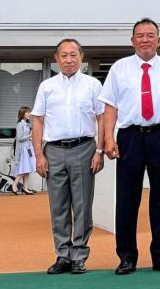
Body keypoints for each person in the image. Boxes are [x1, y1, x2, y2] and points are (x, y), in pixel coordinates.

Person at [101, 18, 160, 275]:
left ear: (159, 40)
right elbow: (110, 106)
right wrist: (108, 137)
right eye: (139, 35)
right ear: (132, 41)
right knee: (127, 199)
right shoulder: (119, 68)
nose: (145, 39)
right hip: (130, 137)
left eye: (150, 35)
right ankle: (127, 256)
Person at [32, 38, 106, 275]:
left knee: (83, 204)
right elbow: (38, 120)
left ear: (81, 57)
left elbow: (102, 118)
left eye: (73, 55)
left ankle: (79, 255)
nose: (69, 60)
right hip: (53, 150)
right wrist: (38, 156)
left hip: (84, 148)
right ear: (56, 58)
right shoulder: (47, 86)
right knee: (58, 205)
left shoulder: (93, 85)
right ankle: (62, 254)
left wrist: (100, 150)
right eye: (64, 55)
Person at [12, 106, 36, 195]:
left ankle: (25, 188)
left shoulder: (26, 124)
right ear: (22, 114)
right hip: (23, 150)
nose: (29, 114)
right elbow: (19, 138)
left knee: (28, 168)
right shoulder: (20, 124)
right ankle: (14, 184)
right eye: (27, 112)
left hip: (28, 148)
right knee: (24, 168)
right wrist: (30, 135)